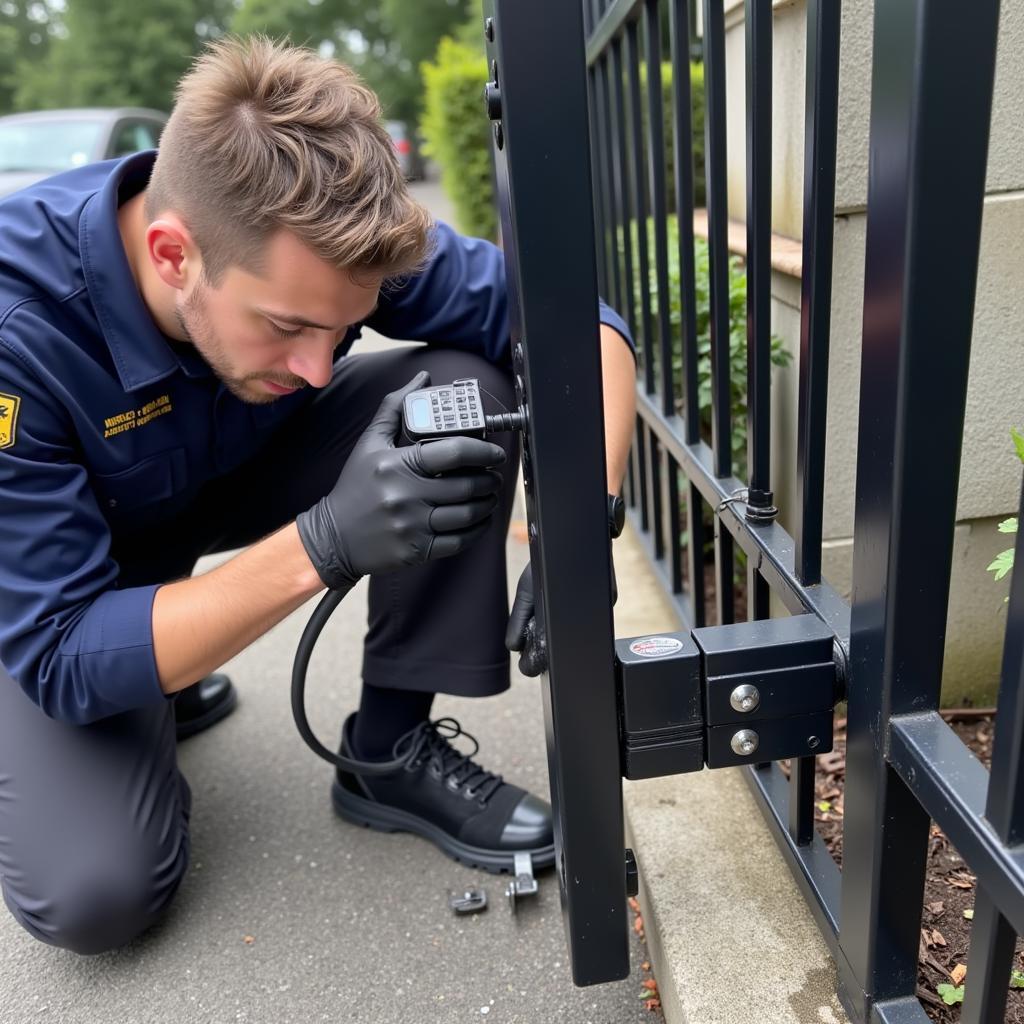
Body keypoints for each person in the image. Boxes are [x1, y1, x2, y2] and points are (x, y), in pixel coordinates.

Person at [0, 36, 636, 956]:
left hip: (227, 473)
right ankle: (154, 690)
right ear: (174, 253)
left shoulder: (320, 241)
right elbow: (61, 649)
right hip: (66, 571)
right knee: (98, 893)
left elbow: (582, 322)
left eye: (339, 329)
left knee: (460, 390)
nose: (315, 363)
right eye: (288, 325)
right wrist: (324, 543)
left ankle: (387, 750)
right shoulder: (21, 331)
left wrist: (581, 522)